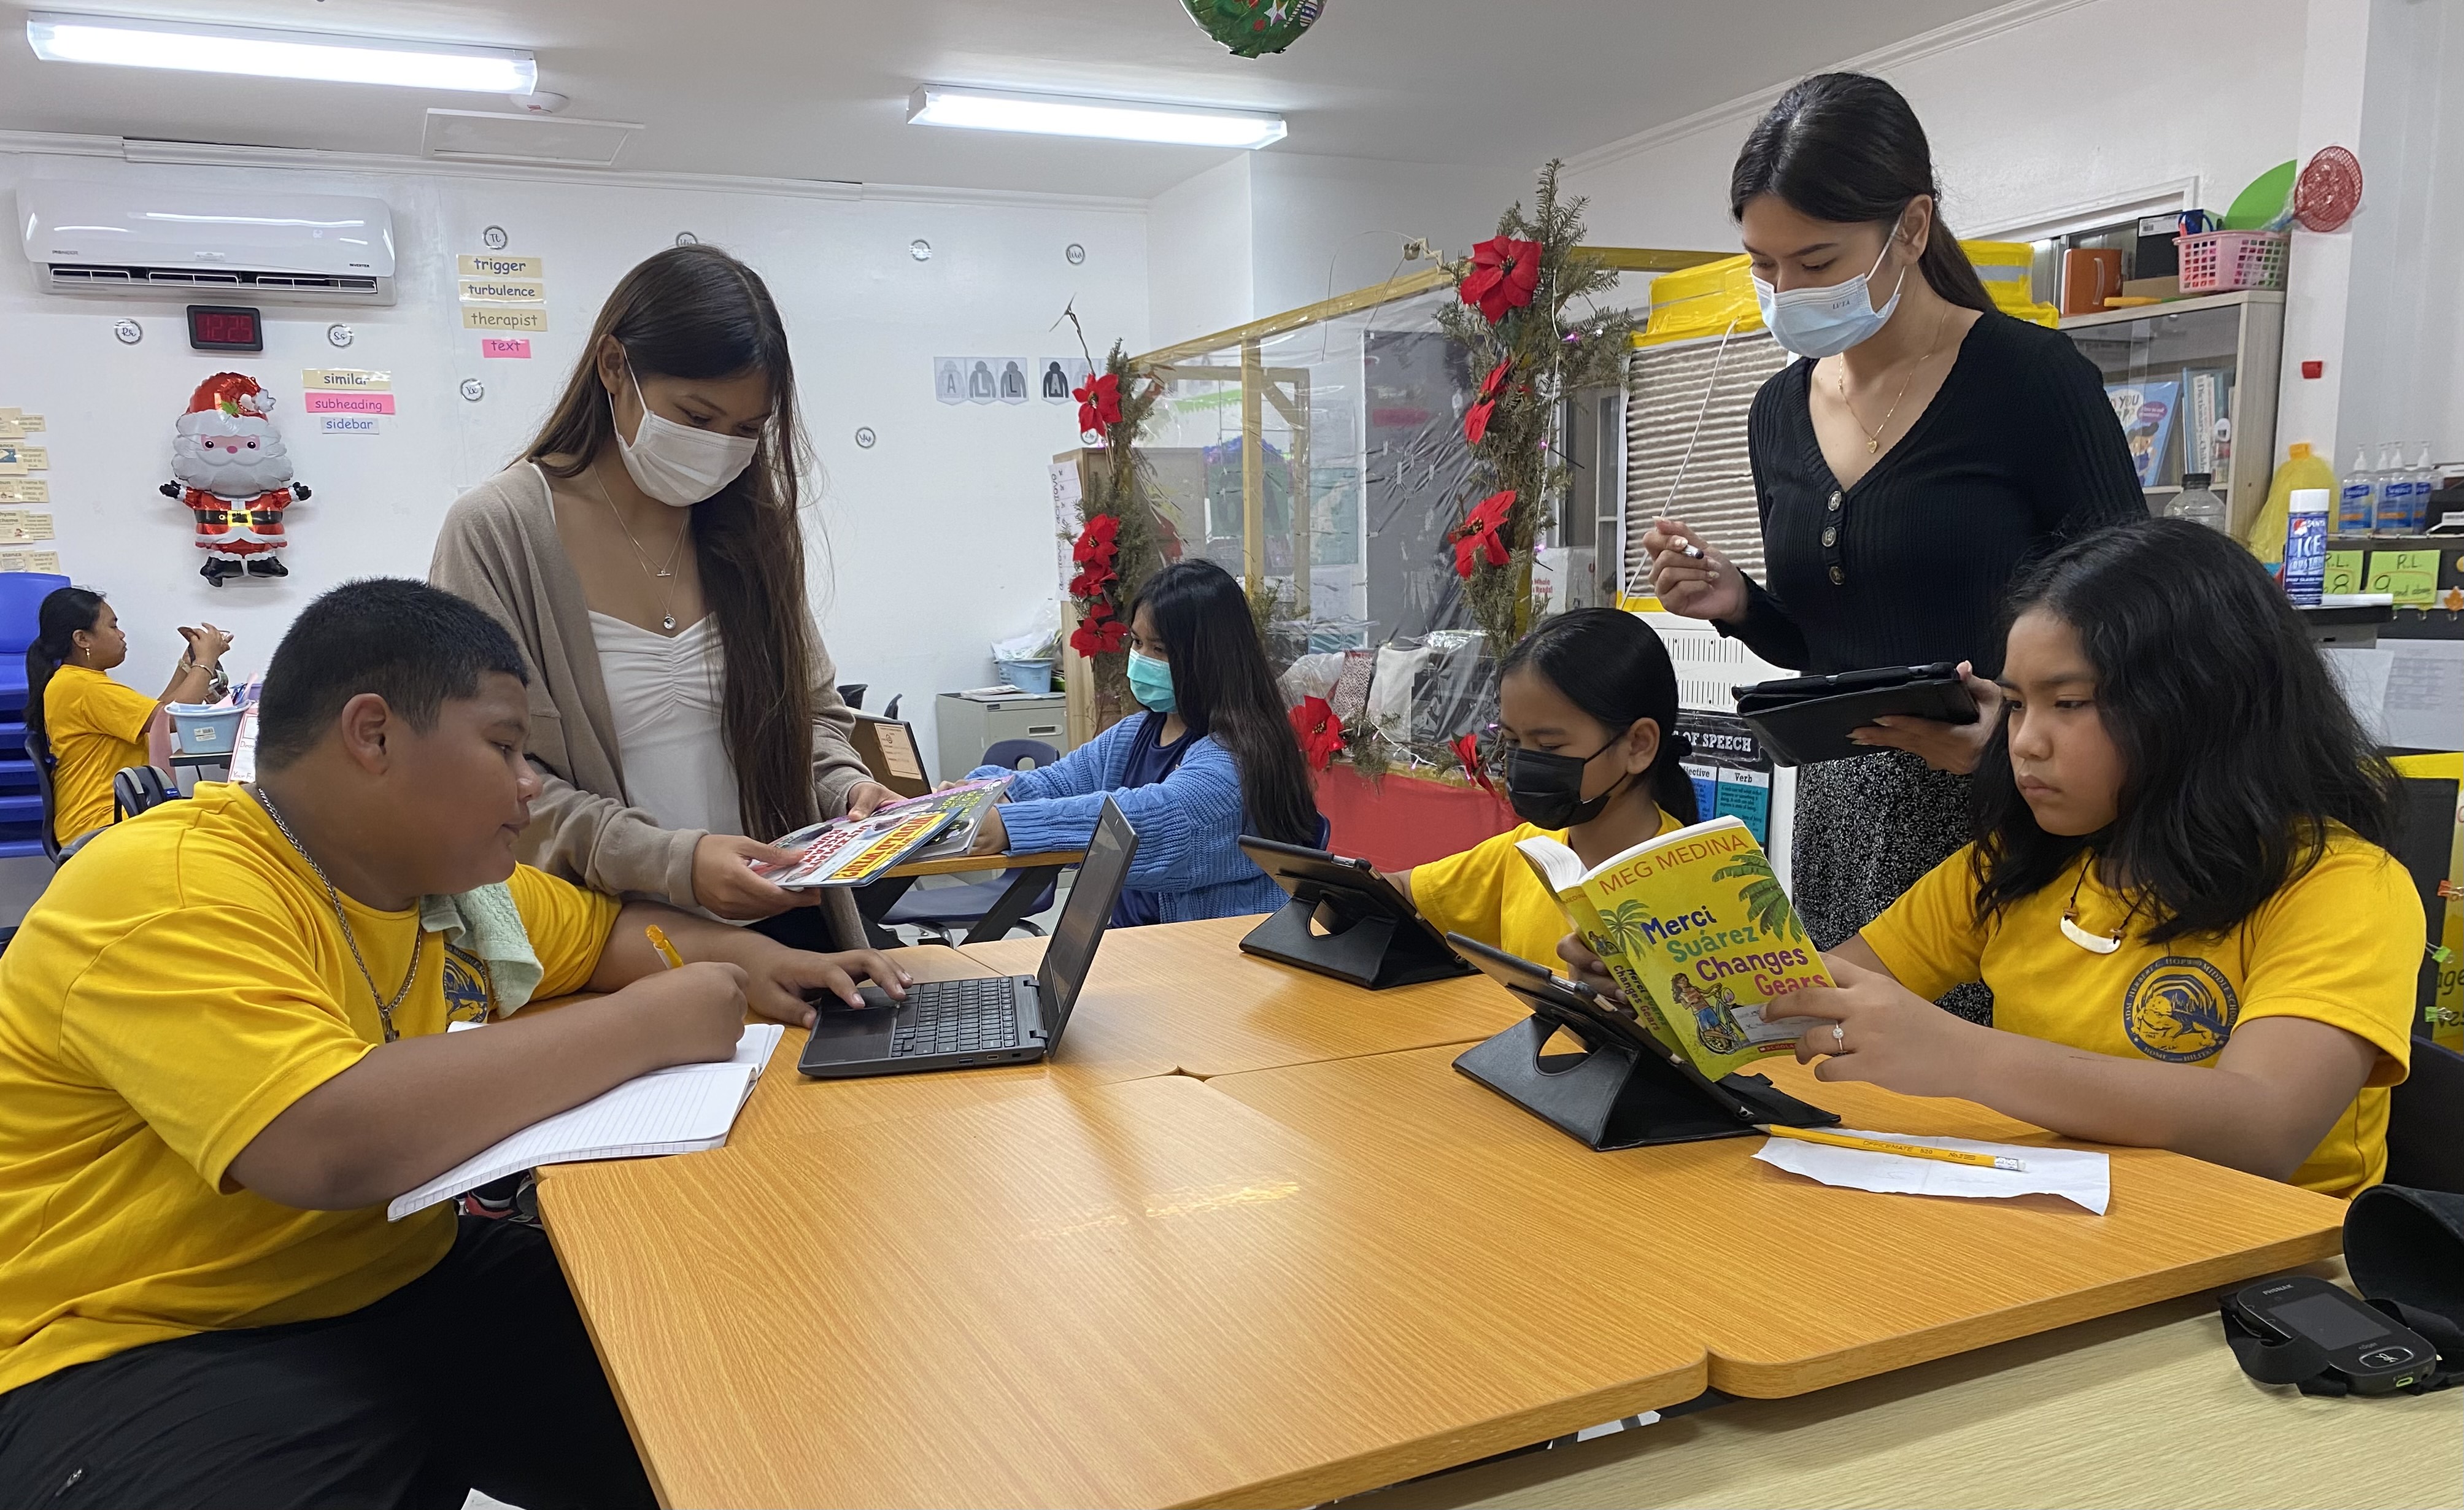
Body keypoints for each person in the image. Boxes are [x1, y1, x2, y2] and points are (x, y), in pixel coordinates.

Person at [0, 579, 908, 1506]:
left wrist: (757, 964)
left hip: (398, 1280)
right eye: (504, 746)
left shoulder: (443, 885)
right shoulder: (167, 885)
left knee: (749, 1384)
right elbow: (322, 1142)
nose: (528, 783)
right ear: (375, 733)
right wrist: (648, 1023)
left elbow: (604, 937)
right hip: (137, 1342)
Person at [1573, 520, 2422, 1198]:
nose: (2025, 743)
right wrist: (1665, 979)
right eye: (2015, 706)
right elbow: (1816, 992)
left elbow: (2264, 1126)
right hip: (2057, 1233)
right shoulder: (2018, 863)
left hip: (2253, 1279)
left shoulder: (2338, 886)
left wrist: (1964, 1057)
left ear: (2202, 702)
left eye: (2069, 703)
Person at [1642, 72, 2144, 1022]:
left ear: (1910, 229)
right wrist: (1739, 603)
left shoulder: (2030, 381)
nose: (1785, 292)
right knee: (1842, 1071)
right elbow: (1829, 647)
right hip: (1840, 810)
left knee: (1988, 1099)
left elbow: (2138, 630)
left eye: (1816, 260)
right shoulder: (1778, 411)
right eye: (1762, 265)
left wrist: (2007, 738)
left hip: (2013, 805)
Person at [430, 244, 898, 954]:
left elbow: (811, 720)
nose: (720, 450)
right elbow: (486, 777)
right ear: (614, 366)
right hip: (609, 947)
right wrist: (674, 863)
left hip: (785, 930)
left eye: (748, 430)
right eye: (697, 418)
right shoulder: (500, 532)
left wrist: (848, 791)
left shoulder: (752, 529)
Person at [965, 560, 1321, 923]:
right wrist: (974, 798)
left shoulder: (1237, 758)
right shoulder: (1134, 734)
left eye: (1160, 649)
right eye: (1137, 642)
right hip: (1125, 947)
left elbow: (1148, 818)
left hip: (1200, 959)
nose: (1141, 659)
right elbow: (1056, 783)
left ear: (1210, 658)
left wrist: (1011, 826)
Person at [1393, 608, 1698, 966]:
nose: (1522, 764)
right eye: (1512, 741)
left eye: (1550, 747)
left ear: (1638, 745)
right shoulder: (1527, 851)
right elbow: (1402, 892)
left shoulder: (1697, 884)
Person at [25, 587, 232, 843]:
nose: (122, 635)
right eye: (113, 627)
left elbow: (157, 715)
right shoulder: (82, 687)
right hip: (100, 822)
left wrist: (188, 665)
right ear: (82, 639)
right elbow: (171, 719)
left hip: (114, 813)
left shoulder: (79, 681)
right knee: (226, 822)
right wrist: (206, 660)